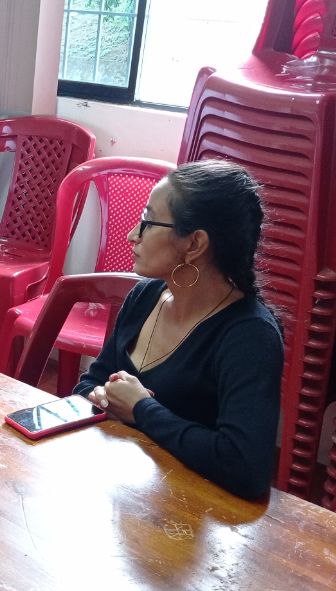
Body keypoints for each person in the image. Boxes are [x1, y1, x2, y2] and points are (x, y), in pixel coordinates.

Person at [75, 160, 283, 499]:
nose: (132, 235)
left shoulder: (250, 336)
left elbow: (246, 468)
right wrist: (102, 396)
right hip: (124, 490)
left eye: (147, 222)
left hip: (191, 510)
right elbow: (90, 381)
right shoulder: (145, 296)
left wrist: (141, 409)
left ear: (194, 244)